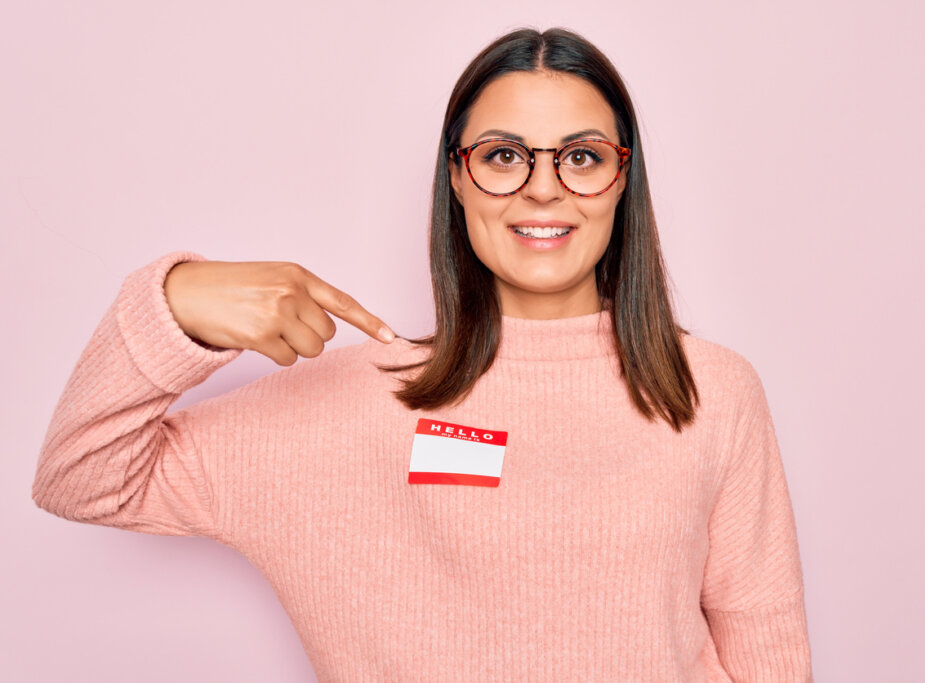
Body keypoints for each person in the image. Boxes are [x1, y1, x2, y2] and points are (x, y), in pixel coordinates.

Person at [32, 27, 812, 681]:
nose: (544, 189)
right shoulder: (351, 405)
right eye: (505, 156)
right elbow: (82, 476)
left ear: (621, 177)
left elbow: (768, 653)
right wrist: (174, 302)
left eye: (580, 156)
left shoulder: (713, 391)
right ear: (457, 176)